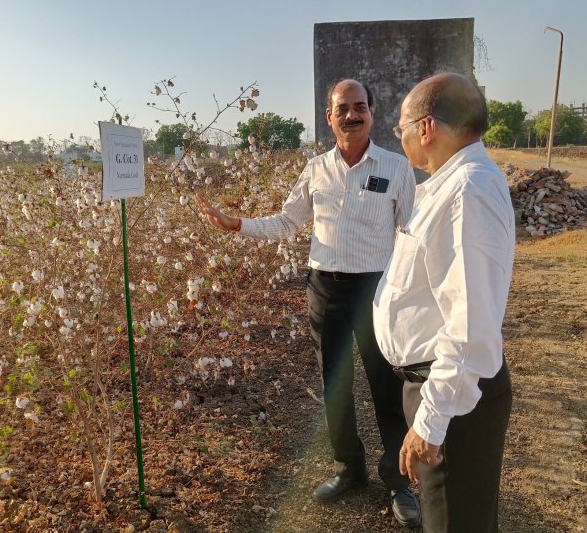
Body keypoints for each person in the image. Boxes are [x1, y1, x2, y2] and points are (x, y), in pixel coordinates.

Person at [196, 79, 420, 527]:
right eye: (343, 108)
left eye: (360, 107)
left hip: (376, 290)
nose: (352, 115)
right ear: (329, 116)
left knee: (386, 386)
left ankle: (398, 481)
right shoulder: (316, 169)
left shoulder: (396, 168)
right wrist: (235, 224)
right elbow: (286, 223)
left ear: (372, 113)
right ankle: (349, 468)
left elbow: (412, 235)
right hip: (326, 289)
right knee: (334, 384)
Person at [373, 72, 515, 532]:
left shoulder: (467, 191)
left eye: (401, 127)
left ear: (427, 128)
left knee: (455, 523)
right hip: (442, 389)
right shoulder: (448, 184)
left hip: (453, 398)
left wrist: (431, 423)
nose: (400, 136)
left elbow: (471, 323)